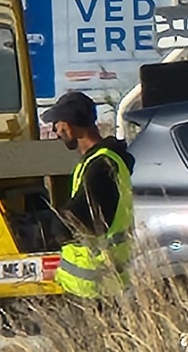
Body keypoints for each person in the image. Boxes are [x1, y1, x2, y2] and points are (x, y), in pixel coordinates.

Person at [41, 91, 135, 299]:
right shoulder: (102, 161)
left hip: (94, 287)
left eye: (57, 124)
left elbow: (85, 219)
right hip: (102, 283)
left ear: (70, 124)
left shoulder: (101, 165)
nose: (56, 131)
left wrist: (54, 227)